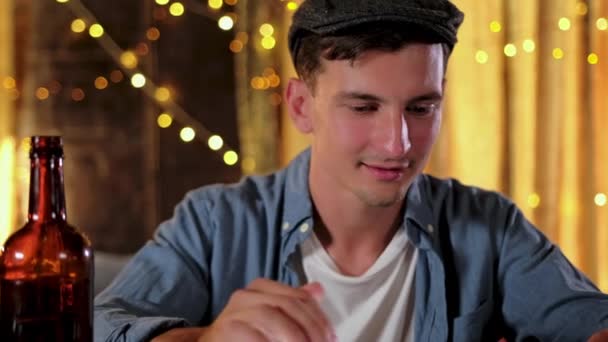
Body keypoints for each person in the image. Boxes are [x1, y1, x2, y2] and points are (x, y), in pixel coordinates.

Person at [94, 0, 608, 341]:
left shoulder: (490, 227)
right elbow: (100, 326)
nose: (397, 142)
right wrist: (205, 340)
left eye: (421, 107)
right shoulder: (215, 221)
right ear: (300, 106)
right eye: (363, 107)